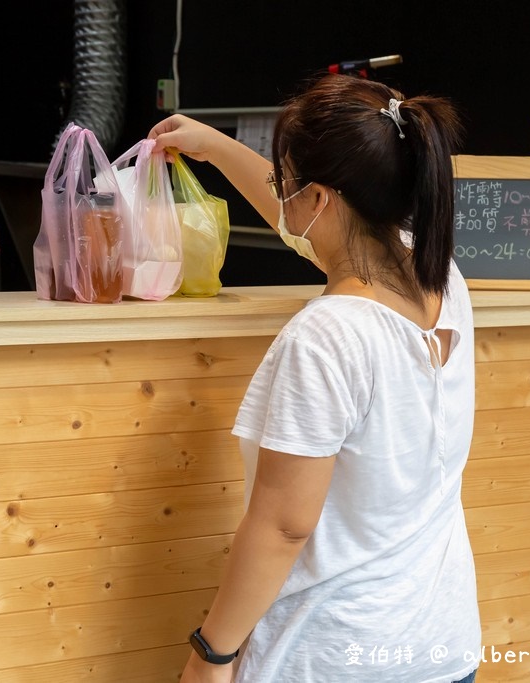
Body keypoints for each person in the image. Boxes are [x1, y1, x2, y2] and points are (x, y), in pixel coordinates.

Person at [149, 73, 480, 683]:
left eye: (285, 184)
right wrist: (216, 146)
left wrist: (211, 654)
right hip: (441, 645)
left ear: (320, 200)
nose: (279, 194)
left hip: (334, 655)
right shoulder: (439, 276)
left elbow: (283, 524)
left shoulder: (328, 336)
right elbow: (323, 232)